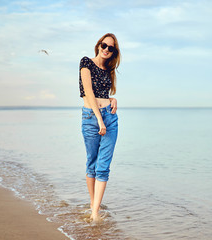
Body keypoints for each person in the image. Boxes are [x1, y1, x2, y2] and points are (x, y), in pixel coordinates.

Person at [79, 33, 120, 222]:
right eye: (104, 45)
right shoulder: (86, 62)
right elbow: (88, 92)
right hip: (91, 117)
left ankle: (95, 212)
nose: (106, 49)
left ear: (113, 52)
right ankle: (92, 202)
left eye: (111, 48)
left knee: (103, 166)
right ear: (98, 45)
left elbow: (104, 93)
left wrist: (113, 99)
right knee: (92, 162)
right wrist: (99, 120)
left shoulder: (108, 70)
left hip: (110, 118)